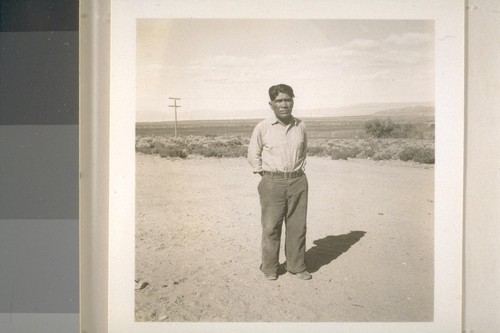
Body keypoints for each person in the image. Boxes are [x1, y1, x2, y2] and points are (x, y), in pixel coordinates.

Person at [247, 84, 311, 281]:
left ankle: (296, 265)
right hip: (272, 182)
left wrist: (296, 175)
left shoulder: (301, 126)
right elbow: (253, 154)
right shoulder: (263, 127)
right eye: (279, 101)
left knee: (297, 226)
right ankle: (269, 267)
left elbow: (304, 151)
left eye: (287, 100)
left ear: (293, 101)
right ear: (271, 104)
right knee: (271, 226)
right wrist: (266, 177)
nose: (284, 104)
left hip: (298, 181)